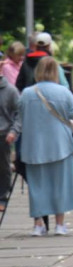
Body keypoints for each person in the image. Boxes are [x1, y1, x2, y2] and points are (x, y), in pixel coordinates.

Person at [12, 57, 73, 237]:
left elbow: (19, 117)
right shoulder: (63, 92)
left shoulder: (27, 93)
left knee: (37, 186)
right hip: (61, 146)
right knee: (61, 185)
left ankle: (38, 224)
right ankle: (59, 224)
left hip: (33, 147)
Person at [0, 69, 18, 213]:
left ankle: (2, 197)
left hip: (3, 134)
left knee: (4, 166)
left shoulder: (11, 91)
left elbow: (20, 113)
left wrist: (13, 131)